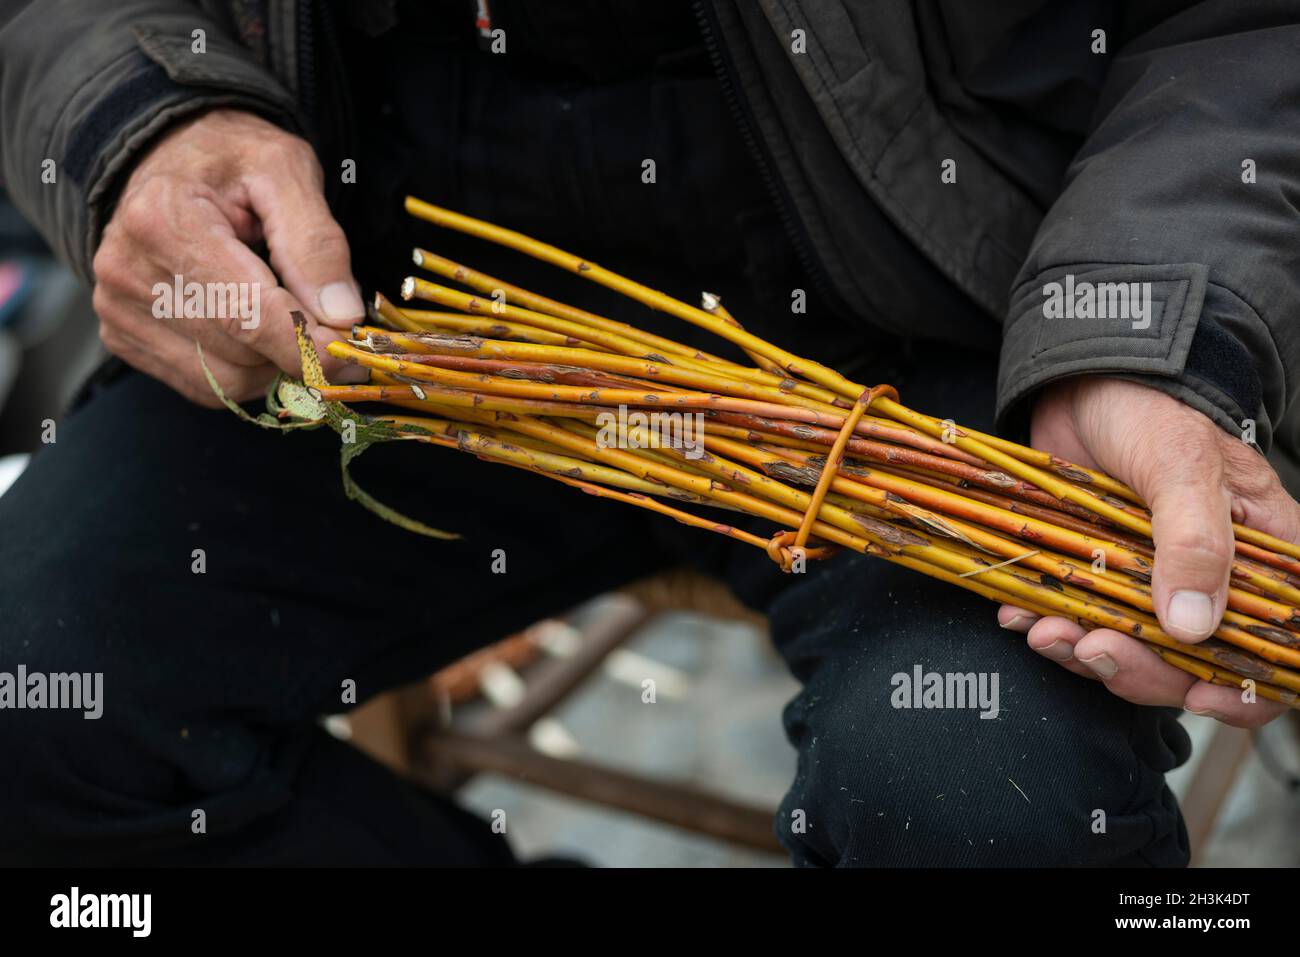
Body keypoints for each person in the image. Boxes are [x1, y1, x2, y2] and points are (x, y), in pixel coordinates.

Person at [1, 0, 1297, 867]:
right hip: (384, 316)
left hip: (929, 315)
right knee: (36, 708)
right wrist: (140, 123)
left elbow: (1244, 27)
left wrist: (1145, 329)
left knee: (976, 806)